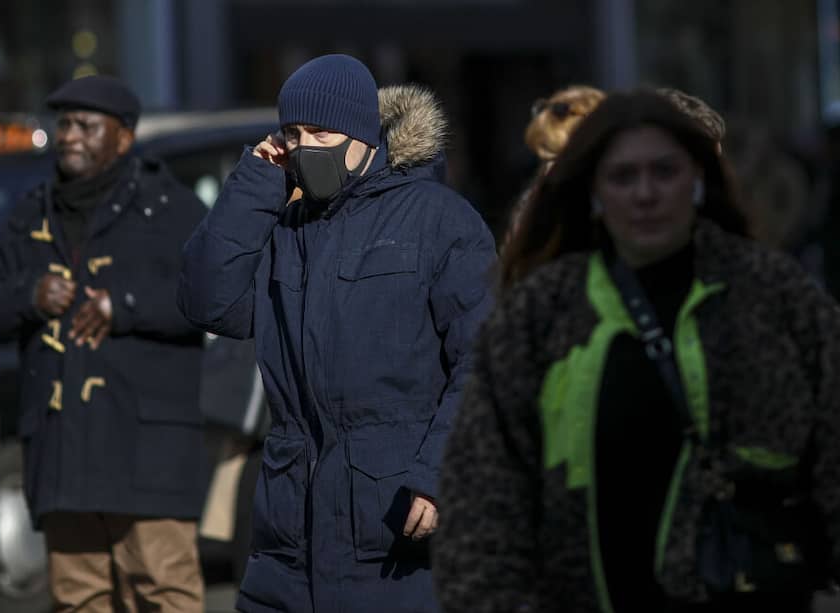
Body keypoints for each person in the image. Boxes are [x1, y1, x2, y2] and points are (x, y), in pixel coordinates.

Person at [433, 90, 840, 612]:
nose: (645, 193)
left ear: (699, 180)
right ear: (594, 192)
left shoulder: (776, 300)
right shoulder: (541, 316)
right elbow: (482, 502)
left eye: (664, 171)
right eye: (623, 176)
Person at [178, 54, 496, 613]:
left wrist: (442, 473)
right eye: (292, 135)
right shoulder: (284, 226)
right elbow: (207, 302)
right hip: (286, 538)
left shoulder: (439, 220)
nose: (304, 148)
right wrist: (256, 180)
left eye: (319, 133)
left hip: (396, 534)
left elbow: (487, 360)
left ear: (361, 137)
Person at [0, 75, 209, 612]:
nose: (70, 135)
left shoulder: (173, 210)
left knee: (164, 593)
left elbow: (216, 300)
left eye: (85, 125)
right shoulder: (32, 212)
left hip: (147, 453)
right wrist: (30, 294)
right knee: (78, 600)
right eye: (65, 124)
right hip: (63, 453)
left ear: (123, 137)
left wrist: (122, 307)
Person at [501, 85, 605, 283]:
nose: (549, 171)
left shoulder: (614, 203)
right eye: (545, 157)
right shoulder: (535, 201)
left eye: (560, 158)